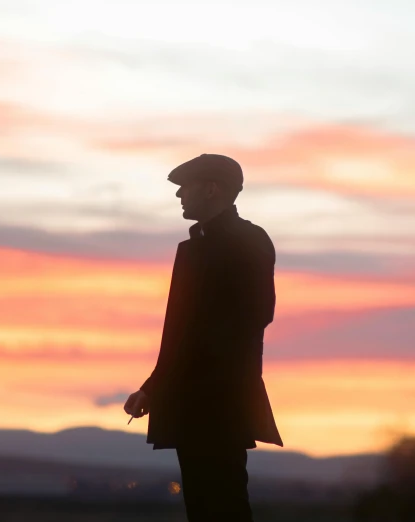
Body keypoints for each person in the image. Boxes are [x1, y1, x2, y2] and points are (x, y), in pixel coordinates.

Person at [124, 153, 283, 521]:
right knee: (204, 505)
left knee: (222, 503)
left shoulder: (248, 241)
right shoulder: (196, 246)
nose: (179, 194)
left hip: (221, 399)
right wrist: (155, 386)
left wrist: (166, 384)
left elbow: (252, 316)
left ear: (211, 189)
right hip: (194, 399)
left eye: (186, 186)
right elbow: (183, 333)